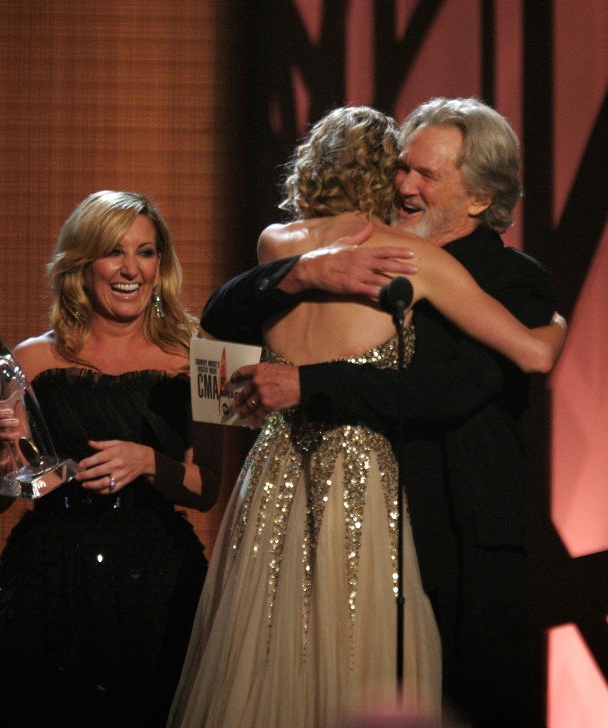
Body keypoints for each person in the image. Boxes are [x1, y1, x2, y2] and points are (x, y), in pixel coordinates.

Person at [169, 106, 565, 728]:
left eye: (426, 175)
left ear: (480, 197)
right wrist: (300, 274)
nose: (408, 186)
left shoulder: (512, 278)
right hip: (364, 487)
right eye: (401, 169)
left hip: (444, 525)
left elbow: (456, 387)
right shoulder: (403, 257)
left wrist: (232, 420)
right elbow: (221, 324)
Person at [0, 190, 221, 727]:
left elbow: (207, 489)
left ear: (161, 264)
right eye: (114, 252)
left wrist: (149, 461)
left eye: (146, 252)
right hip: (50, 575)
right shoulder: (30, 359)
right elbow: (0, 496)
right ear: (82, 265)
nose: (131, 269)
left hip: (156, 578)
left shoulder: (204, 359)